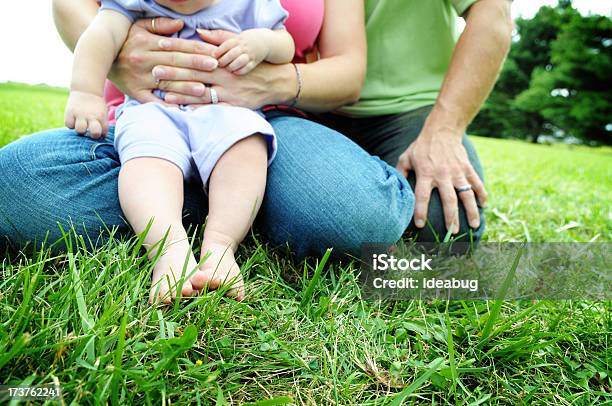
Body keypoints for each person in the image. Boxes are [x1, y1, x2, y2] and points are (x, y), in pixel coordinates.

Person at [66, 0, 296, 303]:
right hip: (156, 108)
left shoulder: (249, 4)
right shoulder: (136, 3)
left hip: (227, 109)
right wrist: (85, 91)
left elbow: (285, 44)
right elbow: (101, 35)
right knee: (147, 162)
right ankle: (169, 249)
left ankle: (221, 246)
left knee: (246, 148)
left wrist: (262, 43)